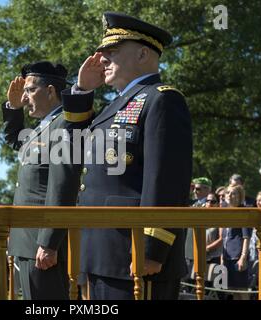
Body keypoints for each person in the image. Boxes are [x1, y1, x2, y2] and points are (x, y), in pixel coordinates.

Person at [61, 12, 192, 300]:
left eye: (113, 52)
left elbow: (166, 181)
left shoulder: (162, 98)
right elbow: (72, 150)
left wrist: (151, 249)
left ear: (143, 53)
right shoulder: (114, 106)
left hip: (134, 256)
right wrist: (82, 91)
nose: (103, 59)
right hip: (100, 251)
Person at [3, 61, 92, 299]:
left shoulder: (63, 123)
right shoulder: (42, 128)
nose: (25, 98)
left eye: (30, 90)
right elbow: (15, 141)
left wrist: (49, 242)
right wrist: (13, 108)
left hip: (42, 244)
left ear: (51, 91)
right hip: (30, 240)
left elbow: (63, 184)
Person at [221, 185, 252, 300]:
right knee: (231, 291)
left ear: (240, 197)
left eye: (233, 193)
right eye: (227, 192)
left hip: (238, 257)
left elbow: (246, 237)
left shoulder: (243, 212)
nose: (229, 195)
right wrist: (222, 256)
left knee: (241, 290)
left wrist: (243, 257)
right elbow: (224, 238)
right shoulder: (225, 213)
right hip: (227, 257)